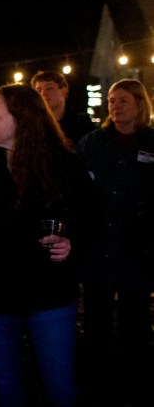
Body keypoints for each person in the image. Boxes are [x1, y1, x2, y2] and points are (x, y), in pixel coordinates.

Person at [0, 83, 98, 407]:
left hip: (50, 297)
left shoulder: (63, 166)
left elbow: (92, 219)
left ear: (22, 121)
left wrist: (72, 243)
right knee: (5, 385)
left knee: (59, 385)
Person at [75, 78, 154, 406]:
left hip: (138, 247)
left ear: (139, 103)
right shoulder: (93, 143)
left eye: (122, 100)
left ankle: (134, 380)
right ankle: (98, 380)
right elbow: (76, 190)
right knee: (97, 317)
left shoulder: (151, 143)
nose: (115, 105)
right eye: (111, 99)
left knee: (135, 318)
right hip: (99, 246)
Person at [31, 70, 96, 144]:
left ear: (64, 91)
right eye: (39, 90)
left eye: (49, 88)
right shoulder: (32, 127)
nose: (43, 93)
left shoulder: (82, 125)